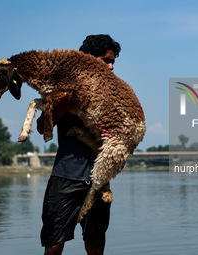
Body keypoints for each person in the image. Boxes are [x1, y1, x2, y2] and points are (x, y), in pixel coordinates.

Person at [37, 34, 121, 255]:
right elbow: (40, 127)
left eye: (113, 62)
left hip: (98, 180)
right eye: (106, 60)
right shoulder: (64, 86)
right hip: (66, 176)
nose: (111, 67)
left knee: (95, 246)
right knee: (54, 245)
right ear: (90, 59)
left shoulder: (112, 94)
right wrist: (65, 102)